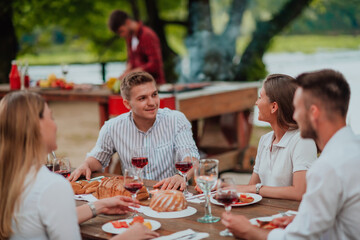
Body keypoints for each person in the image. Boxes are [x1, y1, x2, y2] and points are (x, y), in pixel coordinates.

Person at [0, 91, 159, 240]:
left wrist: (99, 206)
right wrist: (127, 237)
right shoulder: (51, 186)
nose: (55, 125)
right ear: (36, 126)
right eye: (51, 117)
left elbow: (48, 218)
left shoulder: (12, 176)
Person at [221, 69, 360, 239]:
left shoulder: (328, 166)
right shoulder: (351, 149)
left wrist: (249, 231)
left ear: (313, 113)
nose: (294, 115)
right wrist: (301, 219)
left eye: (298, 108)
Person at [69, 71, 199, 190]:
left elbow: (191, 157)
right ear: (127, 104)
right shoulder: (112, 127)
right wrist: (86, 165)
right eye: (142, 98)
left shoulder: (176, 120)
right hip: (135, 194)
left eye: (154, 95)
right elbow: (98, 158)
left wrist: (181, 176)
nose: (152, 102)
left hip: (171, 194)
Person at [209, 74, 317, 200]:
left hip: (288, 217)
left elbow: (300, 192)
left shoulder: (302, 140)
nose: (256, 102)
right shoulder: (265, 140)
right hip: (264, 214)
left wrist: (257, 189)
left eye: (260, 97)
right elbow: (251, 189)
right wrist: (224, 186)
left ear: (274, 107)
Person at [108, 10, 165, 84]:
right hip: (138, 85)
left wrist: (132, 73)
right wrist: (124, 75)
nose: (121, 35)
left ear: (128, 22)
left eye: (121, 31)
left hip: (154, 84)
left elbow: (155, 64)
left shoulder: (147, 35)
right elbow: (131, 60)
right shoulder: (129, 38)